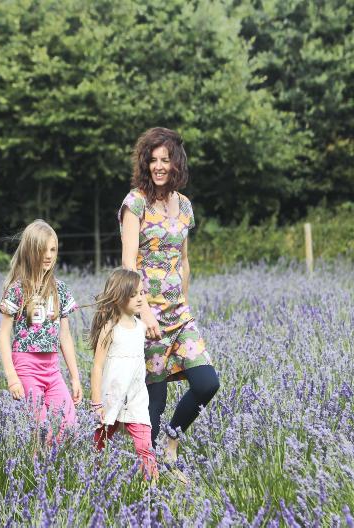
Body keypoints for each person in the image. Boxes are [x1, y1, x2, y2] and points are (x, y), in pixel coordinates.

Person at [118, 127, 220, 465]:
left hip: (180, 316)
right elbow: (128, 265)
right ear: (145, 163)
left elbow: (184, 260)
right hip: (148, 318)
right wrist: (145, 313)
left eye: (165, 160)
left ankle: (171, 444)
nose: (159, 166)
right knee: (155, 404)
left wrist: (185, 302)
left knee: (206, 383)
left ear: (177, 163)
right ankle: (147, 472)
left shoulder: (185, 206)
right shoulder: (135, 203)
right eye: (153, 160)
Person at [0, 219, 83, 432]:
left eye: (53, 250)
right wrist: (12, 377)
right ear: (30, 251)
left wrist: (75, 377)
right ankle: (39, 454)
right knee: (42, 429)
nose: (48, 255)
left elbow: (65, 336)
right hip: (26, 366)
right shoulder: (18, 289)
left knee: (69, 425)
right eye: (42, 250)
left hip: (52, 368)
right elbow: (3, 335)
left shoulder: (60, 289)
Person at [89, 268, 158, 480]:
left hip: (136, 397)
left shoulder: (141, 328)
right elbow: (97, 366)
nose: (140, 298)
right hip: (111, 397)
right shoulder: (109, 328)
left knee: (144, 446)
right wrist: (96, 403)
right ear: (119, 297)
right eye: (133, 294)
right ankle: (95, 481)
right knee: (100, 444)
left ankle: (152, 487)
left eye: (141, 293)